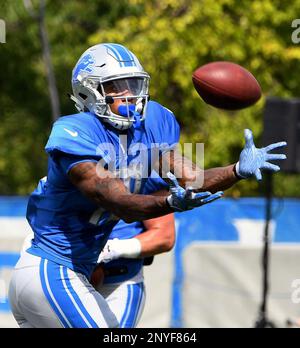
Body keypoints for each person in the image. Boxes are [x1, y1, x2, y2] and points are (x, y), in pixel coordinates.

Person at [8, 43, 287, 328]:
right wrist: (168, 203)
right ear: (89, 92)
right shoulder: (75, 132)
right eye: (118, 86)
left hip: (75, 272)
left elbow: (193, 178)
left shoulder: (152, 123)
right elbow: (119, 202)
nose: (131, 94)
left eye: (134, 84)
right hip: (52, 269)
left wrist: (236, 170)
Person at [91, 175, 174, 328]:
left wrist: (110, 250)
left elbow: (164, 236)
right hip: (71, 278)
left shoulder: (147, 171)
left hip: (118, 283)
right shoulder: (75, 161)